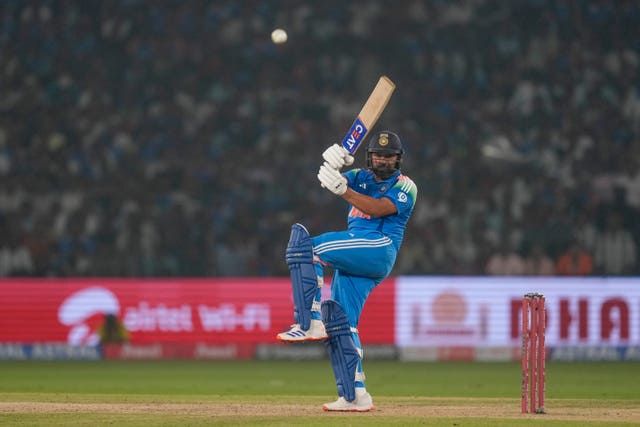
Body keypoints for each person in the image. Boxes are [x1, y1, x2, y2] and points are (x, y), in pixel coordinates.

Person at [276, 131, 417, 412]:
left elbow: (377, 209)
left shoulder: (406, 186)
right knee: (341, 323)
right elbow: (327, 178)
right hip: (357, 256)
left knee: (305, 248)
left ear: (398, 159)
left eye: (389, 156)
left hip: (378, 247)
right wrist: (333, 161)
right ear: (370, 156)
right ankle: (355, 396)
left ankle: (308, 321)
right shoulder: (360, 176)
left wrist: (344, 190)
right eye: (378, 154)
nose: (383, 159)